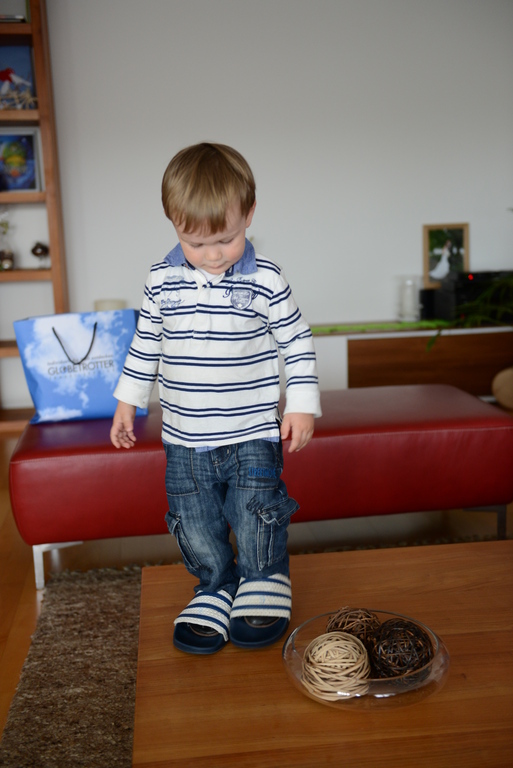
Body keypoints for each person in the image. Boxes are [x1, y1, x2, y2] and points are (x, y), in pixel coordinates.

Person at [110, 142, 321, 654]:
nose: (212, 255)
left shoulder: (266, 279)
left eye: (225, 239)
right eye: (195, 242)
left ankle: (263, 579)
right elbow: (146, 343)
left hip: (251, 432)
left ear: (249, 214)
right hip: (184, 438)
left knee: (255, 512)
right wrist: (127, 402)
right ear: (173, 224)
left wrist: (300, 403)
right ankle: (215, 585)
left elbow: (296, 340)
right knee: (195, 520)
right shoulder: (161, 280)